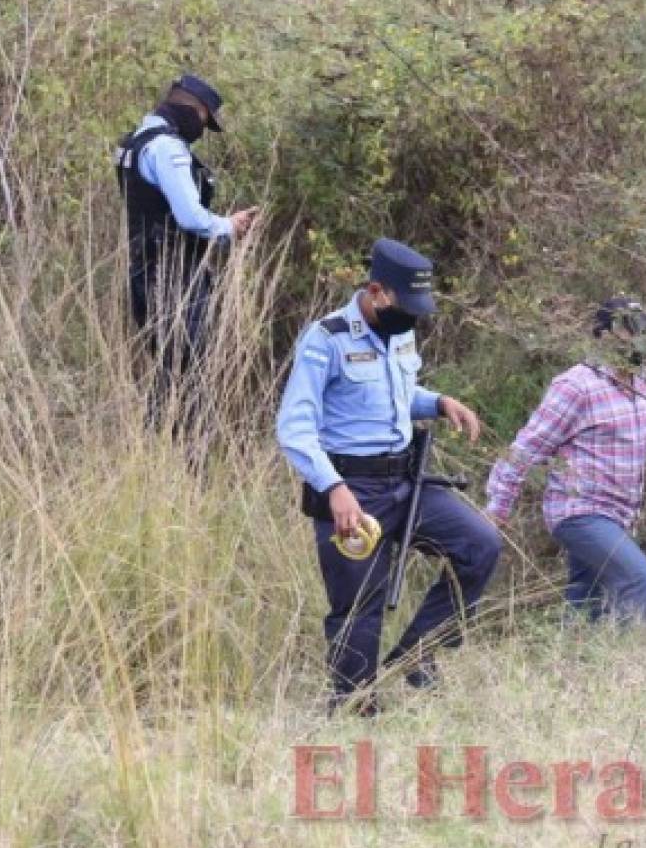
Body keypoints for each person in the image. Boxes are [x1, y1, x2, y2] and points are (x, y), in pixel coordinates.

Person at [277, 238, 502, 715]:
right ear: (376, 291)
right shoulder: (327, 338)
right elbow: (293, 427)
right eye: (406, 304)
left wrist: (438, 402)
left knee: (479, 545)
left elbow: (394, 393)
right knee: (360, 604)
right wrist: (333, 488)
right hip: (350, 488)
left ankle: (417, 657)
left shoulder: (401, 332)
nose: (414, 316)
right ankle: (356, 706)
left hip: (406, 481)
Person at [484, 296, 646, 624]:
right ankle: (631, 670)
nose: (645, 339)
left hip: (621, 515)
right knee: (638, 581)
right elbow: (526, 448)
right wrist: (497, 509)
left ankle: (575, 669)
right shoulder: (576, 386)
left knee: (586, 606)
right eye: (635, 331)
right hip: (580, 512)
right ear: (606, 335)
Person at [114, 74, 259, 427]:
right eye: (205, 122)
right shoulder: (167, 148)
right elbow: (191, 217)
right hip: (174, 275)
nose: (202, 130)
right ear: (194, 110)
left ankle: (156, 454)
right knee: (190, 372)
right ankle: (189, 461)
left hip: (144, 271)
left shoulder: (133, 141)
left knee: (169, 369)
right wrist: (230, 226)